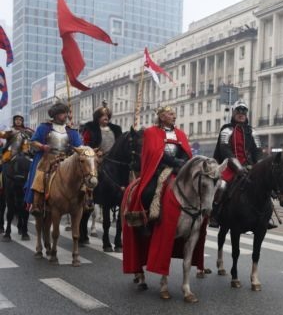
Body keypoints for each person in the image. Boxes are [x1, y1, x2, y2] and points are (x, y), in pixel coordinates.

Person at [122, 105, 194, 276]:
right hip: (159, 169)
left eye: (174, 114)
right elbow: (155, 152)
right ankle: (146, 220)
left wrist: (182, 162)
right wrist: (172, 161)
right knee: (148, 191)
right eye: (170, 113)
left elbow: (186, 151)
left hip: (178, 170)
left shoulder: (180, 134)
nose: (173, 116)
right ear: (161, 117)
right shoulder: (151, 132)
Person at [210, 100, 262, 228]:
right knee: (221, 186)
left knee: (262, 185)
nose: (241, 114)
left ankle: (264, 216)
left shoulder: (252, 131)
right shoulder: (227, 130)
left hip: (249, 165)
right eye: (238, 111)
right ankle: (214, 214)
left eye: (244, 112)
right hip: (230, 165)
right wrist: (238, 167)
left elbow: (258, 150)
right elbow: (224, 149)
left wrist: (259, 166)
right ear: (233, 113)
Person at [24, 103, 82, 216]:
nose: (65, 115)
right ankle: (36, 204)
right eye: (62, 113)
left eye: (66, 113)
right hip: (48, 158)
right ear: (55, 115)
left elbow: (79, 146)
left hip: (66, 159)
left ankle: (85, 201)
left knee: (84, 175)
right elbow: (32, 142)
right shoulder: (44, 127)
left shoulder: (71, 130)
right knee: (40, 174)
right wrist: (42, 147)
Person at [79, 103, 123, 243]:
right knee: (92, 174)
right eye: (103, 116)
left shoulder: (115, 129)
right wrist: (95, 151)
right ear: (97, 117)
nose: (106, 118)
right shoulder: (90, 128)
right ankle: (88, 195)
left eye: (107, 116)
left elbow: (120, 144)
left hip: (115, 159)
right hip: (97, 157)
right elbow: (85, 144)